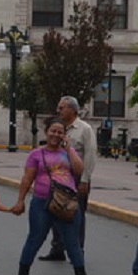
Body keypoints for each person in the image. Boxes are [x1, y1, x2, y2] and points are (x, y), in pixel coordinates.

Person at [11, 117, 93, 275]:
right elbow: (27, 178)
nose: (56, 134)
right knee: (35, 238)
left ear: (64, 135)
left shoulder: (68, 153)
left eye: (60, 132)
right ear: (46, 132)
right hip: (42, 202)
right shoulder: (36, 154)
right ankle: (23, 274)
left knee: (73, 241)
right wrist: (20, 200)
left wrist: (69, 149)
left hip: (67, 203)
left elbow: (79, 170)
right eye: (53, 131)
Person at [39, 96, 96, 261]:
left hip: (78, 178)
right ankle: (57, 248)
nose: (58, 110)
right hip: (60, 177)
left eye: (62, 107)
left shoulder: (84, 129)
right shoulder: (60, 128)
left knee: (77, 214)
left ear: (72, 110)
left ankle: (77, 250)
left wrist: (85, 179)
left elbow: (90, 154)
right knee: (56, 209)